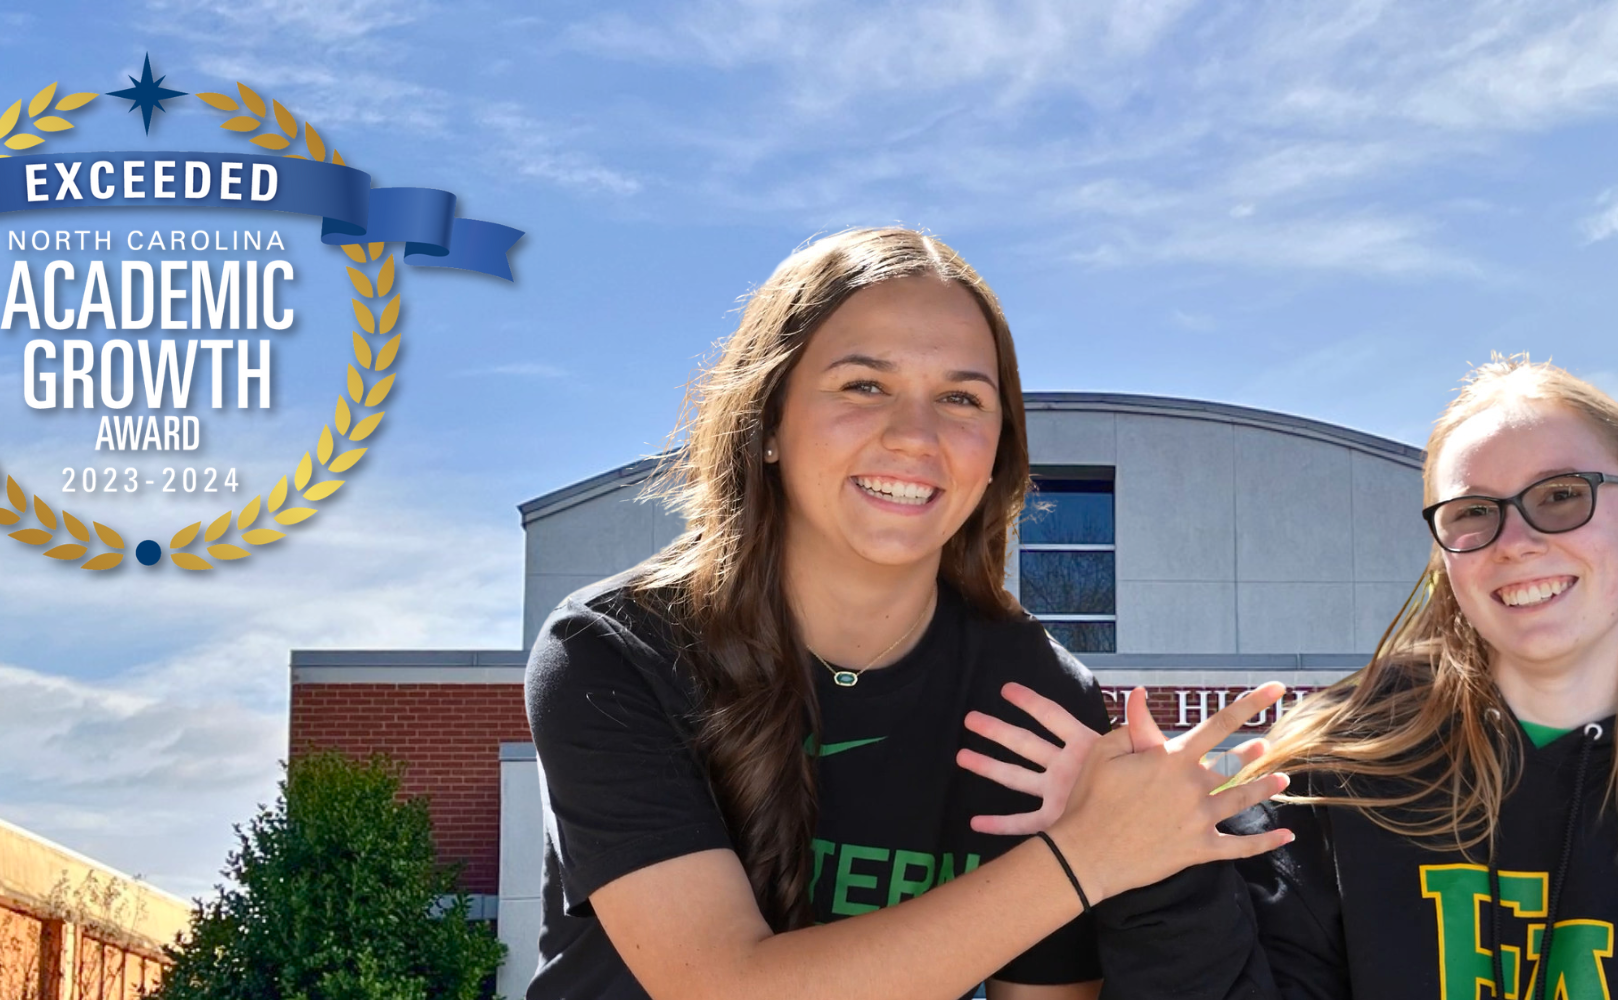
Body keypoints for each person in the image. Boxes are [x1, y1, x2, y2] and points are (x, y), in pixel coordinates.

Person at [522, 227, 1295, 1000]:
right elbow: (721, 986)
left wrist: (1149, 850)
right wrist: (1086, 857)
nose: (916, 438)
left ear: (998, 450)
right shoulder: (613, 650)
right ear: (765, 425)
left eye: (961, 399)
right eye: (865, 385)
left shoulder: (1036, 695)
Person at [971, 356, 1618, 998]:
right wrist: (1158, 866)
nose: (1518, 539)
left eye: (1563, 495)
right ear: (1444, 555)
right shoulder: (1329, 775)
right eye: (1473, 513)